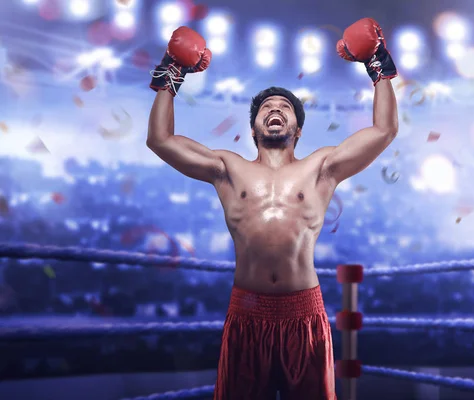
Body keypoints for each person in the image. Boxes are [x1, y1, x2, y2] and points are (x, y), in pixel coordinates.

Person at [147, 18, 398, 400]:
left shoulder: (322, 167)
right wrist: (171, 74)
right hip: (247, 313)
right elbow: (160, 140)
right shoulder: (228, 168)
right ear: (254, 128)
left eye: (284, 107)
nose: (275, 109)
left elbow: (383, 131)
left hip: (305, 312)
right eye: (267, 107)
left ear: (297, 129)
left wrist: (377, 65)